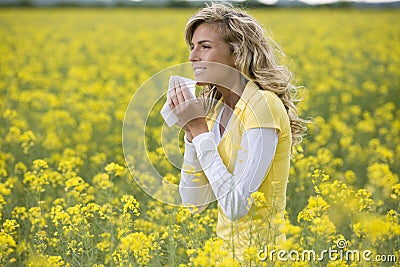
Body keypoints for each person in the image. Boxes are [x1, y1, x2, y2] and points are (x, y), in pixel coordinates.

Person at [168, 3, 306, 262]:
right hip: (225, 257)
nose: (192, 57)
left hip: (261, 257)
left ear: (237, 53)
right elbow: (193, 202)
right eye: (192, 47)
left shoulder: (262, 105)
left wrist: (200, 132)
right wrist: (191, 133)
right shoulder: (215, 110)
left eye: (205, 46)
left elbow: (236, 207)